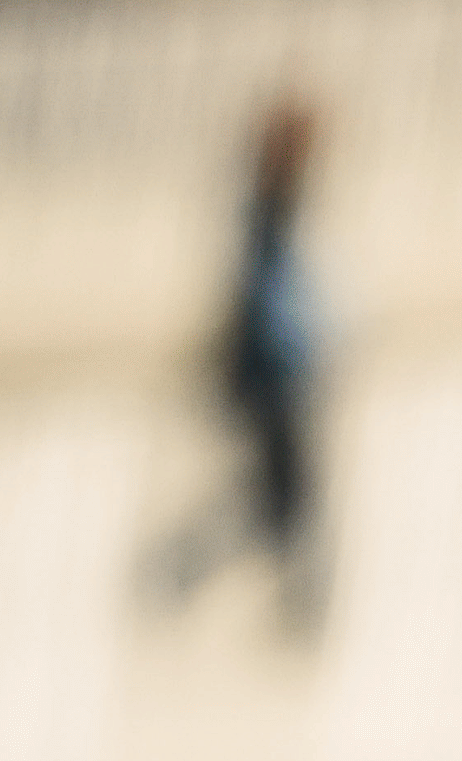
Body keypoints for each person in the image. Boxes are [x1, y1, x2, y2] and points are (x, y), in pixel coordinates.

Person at [149, 96, 328, 638]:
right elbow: (259, 298)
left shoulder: (272, 205)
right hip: (274, 378)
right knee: (282, 501)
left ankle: (289, 605)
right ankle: (291, 612)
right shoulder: (268, 208)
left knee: (279, 499)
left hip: (275, 375)